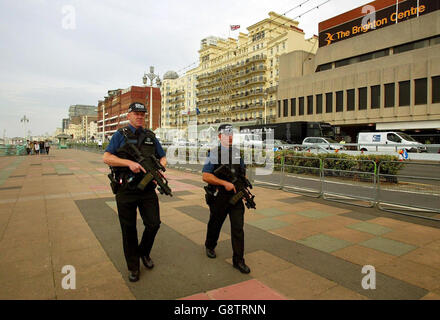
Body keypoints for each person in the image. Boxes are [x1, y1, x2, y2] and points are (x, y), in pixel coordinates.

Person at [103, 102, 167, 282]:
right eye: (136, 114)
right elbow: (107, 157)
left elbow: (162, 156)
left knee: (154, 224)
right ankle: (133, 266)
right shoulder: (120, 135)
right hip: (126, 189)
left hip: (147, 189)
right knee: (128, 229)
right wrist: (129, 163)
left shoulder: (150, 136)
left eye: (142, 114)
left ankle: (143, 252)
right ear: (128, 115)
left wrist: (159, 169)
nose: (140, 117)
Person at [202, 124, 250, 274]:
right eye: (226, 134)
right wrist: (224, 183)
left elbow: (243, 173)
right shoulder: (214, 154)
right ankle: (210, 245)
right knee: (215, 224)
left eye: (231, 134)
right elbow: (206, 176)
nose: (229, 137)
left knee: (238, 228)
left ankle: (238, 260)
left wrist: (242, 188)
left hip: (235, 197)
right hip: (219, 197)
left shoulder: (237, 154)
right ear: (219, 137)